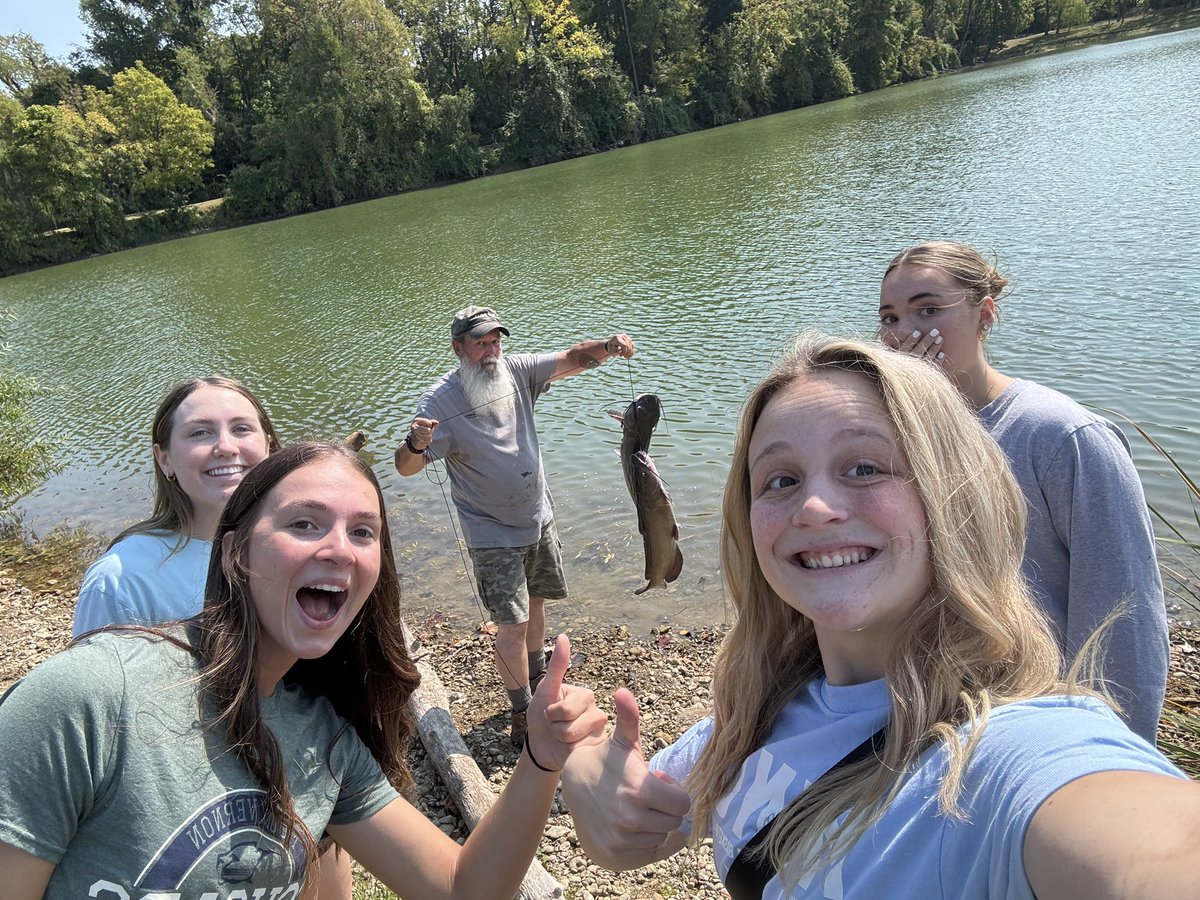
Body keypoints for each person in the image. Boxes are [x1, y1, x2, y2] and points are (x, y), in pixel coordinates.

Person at [560, 335, 1198, 899]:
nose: (813, 506)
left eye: (864, 467)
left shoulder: (1011, 753)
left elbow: (1152, 851)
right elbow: (634, 821)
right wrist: (585, 770)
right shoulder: (758, 715)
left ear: (954, 496)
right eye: (779, 480)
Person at [0, 441, 607, 900]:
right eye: (304, 523)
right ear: (236, 551)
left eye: (362, 532)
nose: (340, 548)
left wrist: (539, 760)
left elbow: (460, 888)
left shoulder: (323, 738)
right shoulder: (91, 698)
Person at [877, 241, 1168, 741]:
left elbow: (1126, 618)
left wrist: (1115, 751)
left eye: (927, 310)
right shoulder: (890, 444)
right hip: (922, 723)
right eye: (890, 318)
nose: (905, 334)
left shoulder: (1062, 438)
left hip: (1037, 722)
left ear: (984, 314)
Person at [396, 305, 636, 746]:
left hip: (537, 519)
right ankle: (522, 710)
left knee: (538, 605)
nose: (491, 351)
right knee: (512, 623)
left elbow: (571, 357)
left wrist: (607, 347)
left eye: (495, 340)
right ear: (458, 348)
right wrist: (416, 442)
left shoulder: (516, 371)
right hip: (491, 533)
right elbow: (406, 467)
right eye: (480, 343)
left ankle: (541, 680)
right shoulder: (439, 402)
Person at [73, 376, 282, 637]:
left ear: (268, 446)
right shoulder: (121, 580)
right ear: (164, 460)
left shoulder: (299, 546)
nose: (226, 448)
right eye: (199, 433)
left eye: (241, 429)